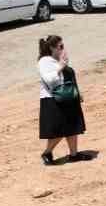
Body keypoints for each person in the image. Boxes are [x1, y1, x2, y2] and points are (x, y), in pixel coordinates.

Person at [37, 35, 87, 165]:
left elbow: (68, 78)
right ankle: (47, 152)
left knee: (72, 126)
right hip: (53, 99)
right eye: (60, 46)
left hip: (68, 97)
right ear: (52, 47)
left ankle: (74, 154)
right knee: (58, 130)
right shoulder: (44, 61)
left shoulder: (57, 59)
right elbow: (50, 79)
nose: (63, 48)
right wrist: (61, 66)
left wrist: (77, 92)